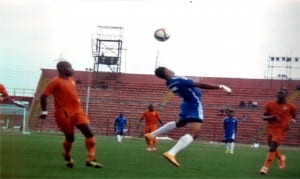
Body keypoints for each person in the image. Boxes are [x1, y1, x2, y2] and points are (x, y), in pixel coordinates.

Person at [145, 66, 232, 167]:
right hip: (194, 104)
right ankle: (171, 153)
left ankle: (152, 135)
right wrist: (220, 86)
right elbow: (199, 84)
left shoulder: (169, 83)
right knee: (194, 134)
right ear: (166, 72)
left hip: (186, 104)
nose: (171, 69)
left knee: (180, 123)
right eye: (168, 69)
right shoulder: (178, 79)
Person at [40, 61, 103, 169]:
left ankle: (90, 159)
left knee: (89, 132)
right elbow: (43, 96)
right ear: (62, 69)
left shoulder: (71, 80)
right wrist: (44, 111)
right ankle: (67, 155)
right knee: (70, 138)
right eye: (70, 67)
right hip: (63, 114)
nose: (72, 69)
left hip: (77, 111)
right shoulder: (55, 82)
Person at [259, 87, 297, 175]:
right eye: (278, 92)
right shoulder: (269, 104)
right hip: (270, 129)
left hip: (281, 130)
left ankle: (265, 168)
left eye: (282, 93)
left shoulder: (291, 106)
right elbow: (264, 117)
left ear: (285, 95)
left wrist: (291, 123)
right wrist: (272, 117)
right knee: (271, 146)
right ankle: (281, 158)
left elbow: (294, 116)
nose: (279, 94)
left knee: (272, 147)